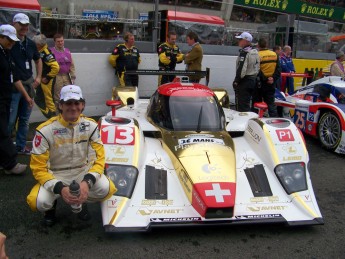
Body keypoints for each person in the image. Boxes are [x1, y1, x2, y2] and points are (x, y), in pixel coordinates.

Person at [27, 85, 117, 226]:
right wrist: (60, 189)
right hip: (55, 174)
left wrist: (86, 183)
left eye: (76, 103)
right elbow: (38, 168)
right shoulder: (45, 130)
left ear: (82, 105)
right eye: (68, 103)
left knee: (107, 189)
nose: (73, 107)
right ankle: (51, 207)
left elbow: (99, 159)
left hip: (82, 171)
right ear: (60, 105)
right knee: (38, 201)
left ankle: (81, 200)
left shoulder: (91, 126)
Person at [0, 24, 33, 174]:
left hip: (5, 99)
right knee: (3, 131)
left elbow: (15, 78)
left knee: (4, 129)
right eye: (9, 40)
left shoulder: (6, 53)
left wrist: (27, 97)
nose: (12, 43)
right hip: (2, 100)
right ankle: (10, 164)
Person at [9, 13, 42, 155]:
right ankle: (7, 149)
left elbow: (38, 59)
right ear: (14, 24)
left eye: (26, 24)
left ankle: (20, 147)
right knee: (9, 121)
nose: (24, 27)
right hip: (12, 87)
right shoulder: (8, 42)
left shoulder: (30, 43)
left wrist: (38, 78)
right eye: (21, 24)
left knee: (24, 120)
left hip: (28, 86)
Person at [32, 34, 60, 118]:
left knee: (48, 100)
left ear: (39, 45)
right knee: (38, 99)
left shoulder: (46, 53)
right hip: (41, 79)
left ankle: (53, 118)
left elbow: (56, 67)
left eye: (35, 44)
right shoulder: (40, 52)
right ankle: (51, 117)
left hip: (47, 81)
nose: (34, 45)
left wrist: (47, 77)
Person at [232, 32, 260, 112]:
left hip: (245, 81)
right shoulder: (255, 51)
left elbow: (241, 70)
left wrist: (236, 81)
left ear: (246, 41)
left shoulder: (245, 53)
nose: (239, 41)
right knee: (249, 105)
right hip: (253, 81)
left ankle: (244, 123)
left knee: (242, 107)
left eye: (240, 39)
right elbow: (258, 67)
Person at [253, 38, 281, 117]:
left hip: (259, 84)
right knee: (271, 104)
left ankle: (256, 121)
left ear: (258, 45)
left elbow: (257, 70)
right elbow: (278, 69)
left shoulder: (257, 55)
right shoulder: (274, 54)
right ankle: (274, 122)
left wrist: (265, 79)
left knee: (256, 104)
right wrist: (272, 78)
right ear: (267, 45)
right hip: (271, 84)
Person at [50, 33, 76, 109]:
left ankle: (68, 113)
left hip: (67, 76)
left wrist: (73, 77)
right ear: (55, 42)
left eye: (62, 41)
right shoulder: (51, 51)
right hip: (57, 76)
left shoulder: (67, 51)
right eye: (58, 41)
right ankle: (58, 114)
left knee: (69, 95)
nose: (60, 43)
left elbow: (72, 65)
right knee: (57, 97)